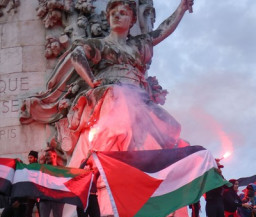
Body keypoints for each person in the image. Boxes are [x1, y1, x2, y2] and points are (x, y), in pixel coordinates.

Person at [20, 0, 195, 169]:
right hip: (108, 94)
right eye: (113, 13)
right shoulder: (100, 44)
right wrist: (90, 80)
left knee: (170, 126)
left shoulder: (138, 44)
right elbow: (77, 56)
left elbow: (162, 31)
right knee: (120, 98)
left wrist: (181, 8)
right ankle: (119, 156)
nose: (117, 16)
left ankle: (149, 162)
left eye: (122, 13)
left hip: (138, 97)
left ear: (132, 19)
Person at [24, 150, 39, 217]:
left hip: (37, 193)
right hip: (30, 194)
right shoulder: (27, 168)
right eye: (29, 158)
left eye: (31, 157)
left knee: (40, 211)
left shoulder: (39, 167)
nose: (29, 159)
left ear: (35, 158)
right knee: (28, 212)